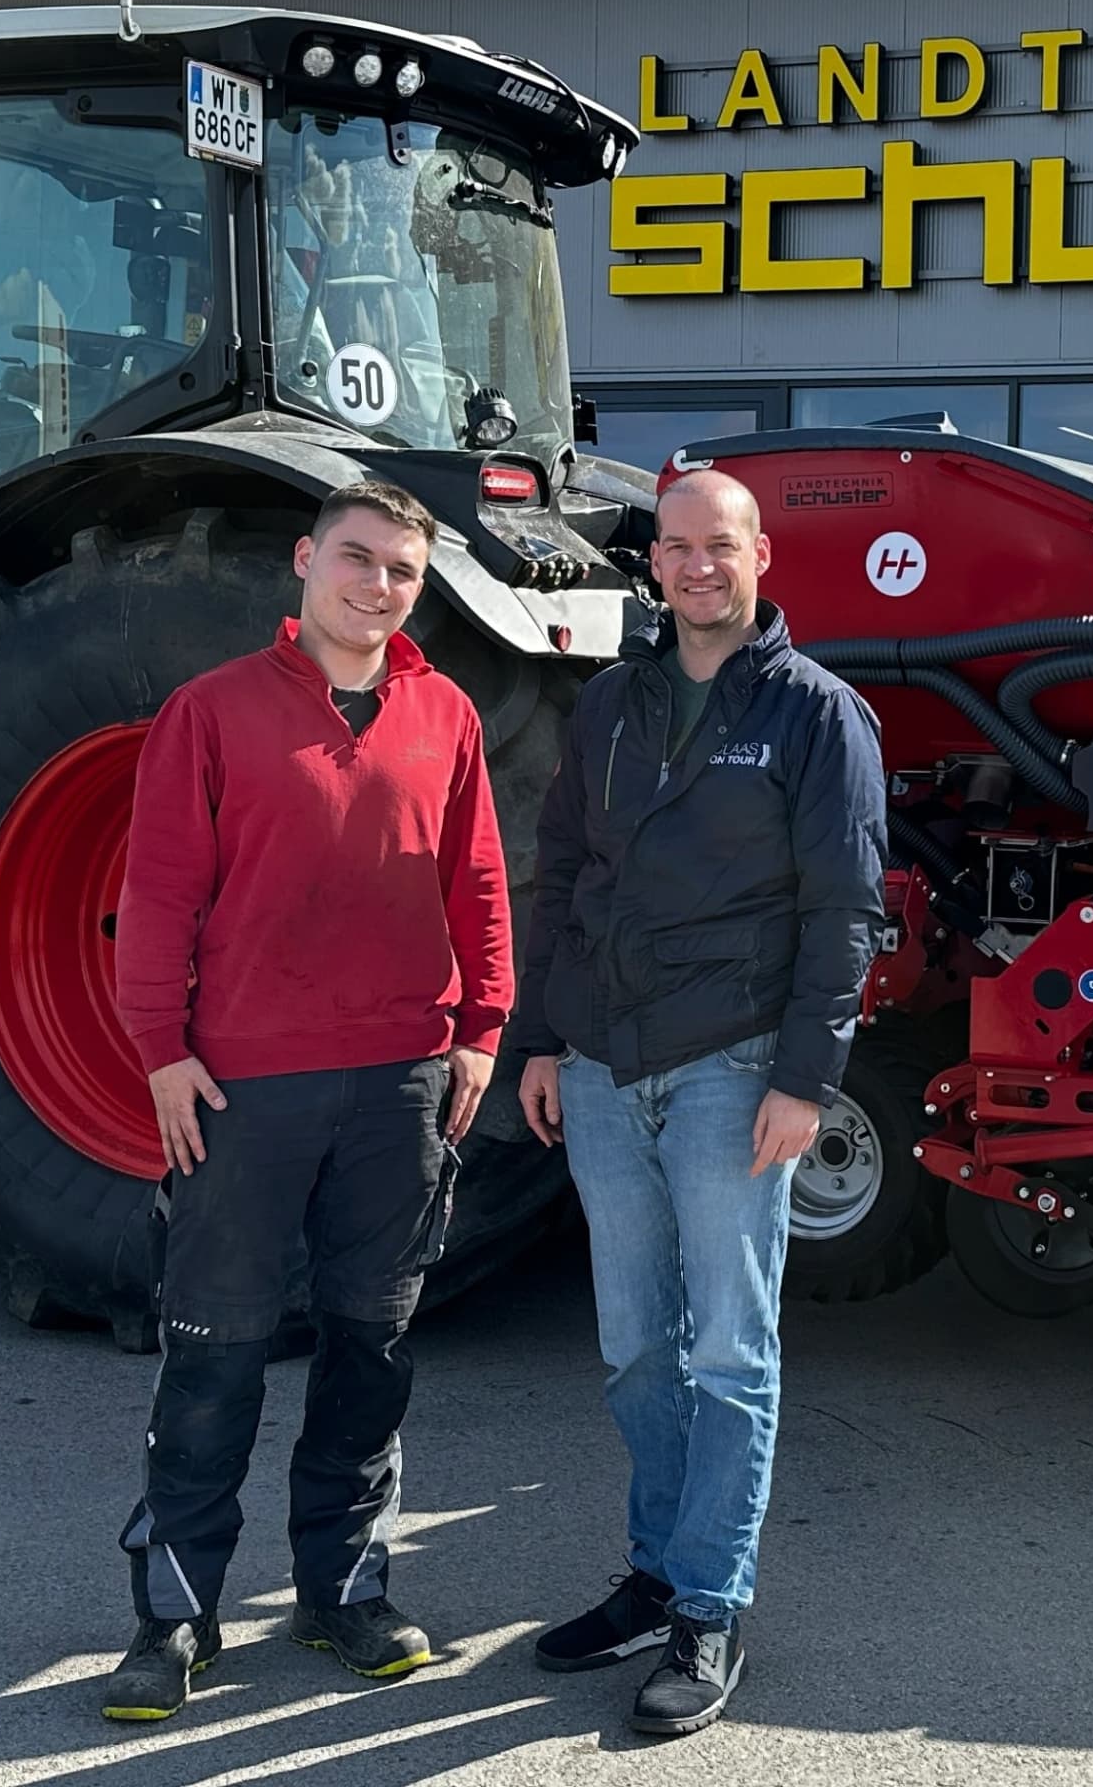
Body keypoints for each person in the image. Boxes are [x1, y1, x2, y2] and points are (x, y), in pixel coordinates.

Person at [92, 480, 512, 1726]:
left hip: (400, 1081)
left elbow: (480, 880)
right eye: (356, 558)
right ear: (304, 561)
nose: (376, 585)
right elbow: (158, 893)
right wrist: (161, 1051)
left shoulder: (447, 713)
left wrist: (481, 1030)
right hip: (244, 1085)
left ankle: (345, 1592)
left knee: (369, 1348)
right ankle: (174, 1617)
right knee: (214, 1353)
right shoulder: (210, 713)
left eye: (399, 570)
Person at [505, 468, 886, 1736]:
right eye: (673, 548)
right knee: (633, 1348)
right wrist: (545, 1040)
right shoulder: (610, 703)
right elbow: (561, 870)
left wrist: (805, 1082)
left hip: (734, 1069)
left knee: (730, 1350)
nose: (694, 567)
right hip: (608, 1067)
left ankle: (711, 1606)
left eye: (717, 546)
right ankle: (658, 1568)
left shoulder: (817, 718)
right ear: (653, 564)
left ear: (761, 555)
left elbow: (845, 913)